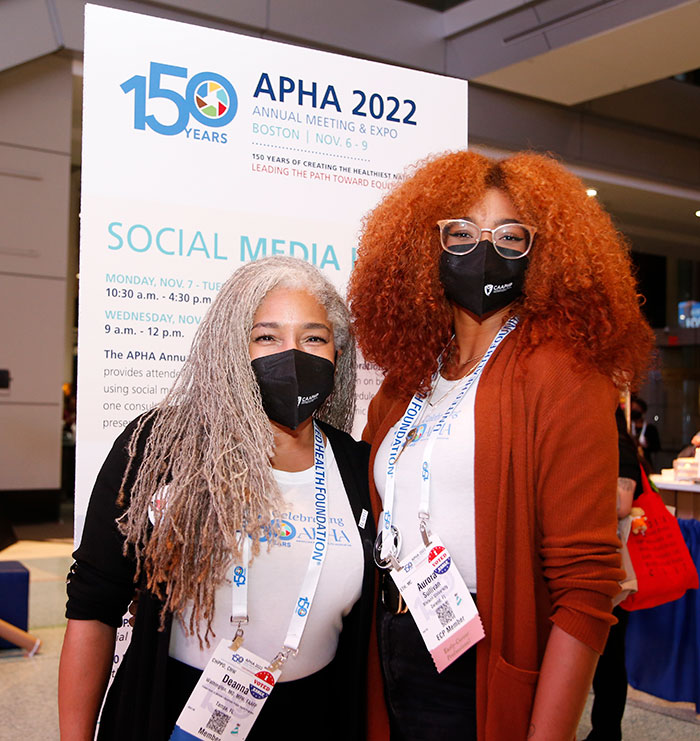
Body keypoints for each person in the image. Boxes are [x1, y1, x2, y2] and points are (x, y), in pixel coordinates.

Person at [348, 150, 654, 741]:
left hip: (482, 661)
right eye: (460, 233)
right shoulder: (405, 381)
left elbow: (588, 585)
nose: (483, 250)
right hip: (391, 644)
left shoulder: (563, 373)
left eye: (510, 236)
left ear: (544, 254)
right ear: (421, 247)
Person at [59, 256, 376, 741]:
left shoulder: (357, 467)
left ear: (338, 353)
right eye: (266, 336)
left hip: (316, 717)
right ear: (232, 347)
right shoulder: (160, 448)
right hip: (174, 715)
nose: (292, 355)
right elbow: (93, 608)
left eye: (313, 337)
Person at [586, 407, 643, 741]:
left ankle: (607, 732)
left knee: (609, 654)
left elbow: (622, 504)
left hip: (613, 561)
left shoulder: (619, 446)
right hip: (603, 559)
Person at [630, 395, 660, 470]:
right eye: (632, 409)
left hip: (645, 463)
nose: (634, 411)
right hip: (632, 463)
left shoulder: (650, 429)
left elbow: (657, 447)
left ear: (642, 411)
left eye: (636, 409)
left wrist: (647, 445)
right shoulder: (628, 427)